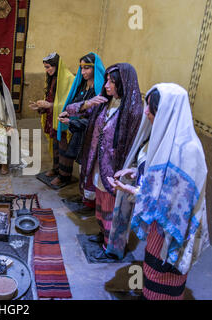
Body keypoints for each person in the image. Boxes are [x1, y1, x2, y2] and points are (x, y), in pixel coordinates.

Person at [107, 83, 210, 299]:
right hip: (158, 228)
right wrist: (137, 172)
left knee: (166, 276)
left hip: (173, 233)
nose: (146, 112)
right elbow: (157, 177)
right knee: (152, 270)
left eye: (152, 108)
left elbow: (171, 205)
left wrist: (131, 191)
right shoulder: (167, 139)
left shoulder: (187, 151)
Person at [65, 63, 143, 258]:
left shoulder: (133, 112)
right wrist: (88, 103)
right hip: (98, 165)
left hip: (116, 169)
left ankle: (113, 248)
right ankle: (102, 235)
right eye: (107, 80)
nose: (107, 85)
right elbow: (71, 109)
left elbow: (135, 146)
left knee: (113, 209)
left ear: (123, 84)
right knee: (101, 203)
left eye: (112, 82)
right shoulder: (104, 102)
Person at [58, 53, 105, 196]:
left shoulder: (100, 90)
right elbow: (76, 106)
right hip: (80, 131)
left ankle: (90, 200)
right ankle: (84, 197)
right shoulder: (81, 86)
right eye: (81, 68)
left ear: (95, 68)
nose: (83, 72)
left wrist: (72, 121)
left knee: (90, 167)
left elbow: (97, 118)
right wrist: (68, 114)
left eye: (87, 68)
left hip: (91, 134)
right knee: (82, 167)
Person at [29, 53, 74, 186]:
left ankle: (64, 175)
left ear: (56, 65)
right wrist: (40, 106)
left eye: (48, 67)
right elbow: (50, 97)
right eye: (45, 67)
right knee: (54, 143)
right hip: (52, 116)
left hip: (62, 119)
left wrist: (50, 105)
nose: (47, 70)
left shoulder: (69, 79)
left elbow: (69, 104)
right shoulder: (52, 78)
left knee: (63, 146)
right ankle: (56, 169)